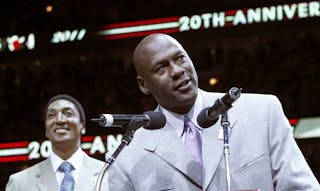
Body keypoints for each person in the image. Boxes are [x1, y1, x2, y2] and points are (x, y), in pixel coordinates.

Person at [102, 33, 320, 191]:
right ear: (143, 84)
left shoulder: (262, 112)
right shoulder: (127, 159)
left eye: (180, 58)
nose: (177, 70)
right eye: (162, 67)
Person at [6, 94, 105, 191]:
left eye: (68, 113)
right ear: (46, 130)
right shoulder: (19, 182)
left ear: (82, 127)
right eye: (51, 115)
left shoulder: (107, 174)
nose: (59, 120)